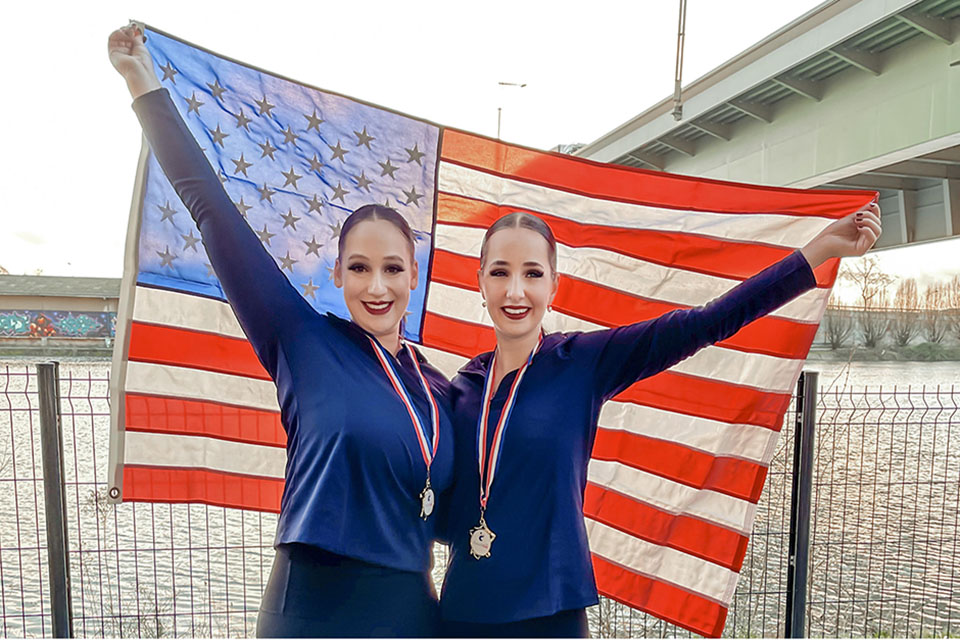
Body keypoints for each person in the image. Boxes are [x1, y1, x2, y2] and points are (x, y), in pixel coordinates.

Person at [108, 25, 453, 637]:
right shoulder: (301, 338)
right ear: (338, 276)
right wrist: (142, 85)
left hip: (408, 612)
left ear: (414, 276)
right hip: (309, 611)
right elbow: (211, 208)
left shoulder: (437, 391)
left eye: (392, 269)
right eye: (360, 268)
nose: (377, 286)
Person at [439, 206, 881, 637]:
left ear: (554, 284)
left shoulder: (582, 363)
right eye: (500, 273)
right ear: (479, 281)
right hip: (464, 611)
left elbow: (706, 323)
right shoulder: (459, 390)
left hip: (551, 613)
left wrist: (818, 252)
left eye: (532, 273)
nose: (515, 291)